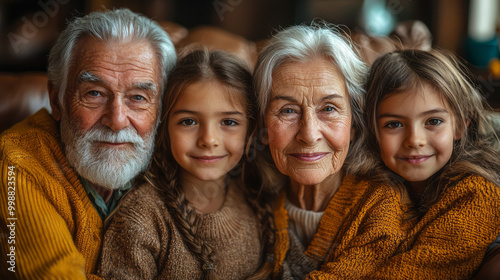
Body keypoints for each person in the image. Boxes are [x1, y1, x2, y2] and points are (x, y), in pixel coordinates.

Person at [0, 8, 176, 279]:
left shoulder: (178, 158)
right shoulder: (16, 166)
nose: (116, 121)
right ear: (57, 100)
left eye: (138, 98)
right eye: (94, 93)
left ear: (162, 108)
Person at [253, 23, 413, 279]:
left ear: (354, 122)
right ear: (262, 125)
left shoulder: (382, 207)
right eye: (288, 110)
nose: (309, 134)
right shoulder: (251, 198)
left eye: (329, 109)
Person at [98, 49, 274, 280]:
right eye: (188, 121)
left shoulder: (257, 198)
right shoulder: (141, 217)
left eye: (229, 122)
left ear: (250, 130)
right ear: (165, 127)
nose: (209, 140)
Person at [363, 49, 500, 278]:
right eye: (394, 124)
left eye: (433, 121)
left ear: (459, 126)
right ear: (371, 129)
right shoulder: (372, 186)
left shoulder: (478, 193)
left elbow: (416, 271)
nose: (415, 140)